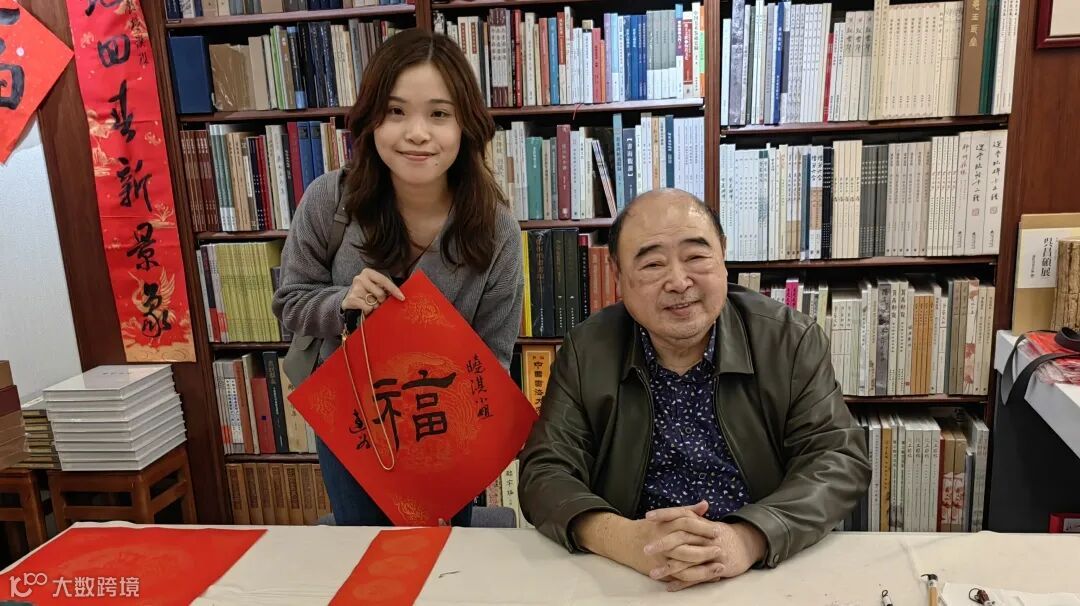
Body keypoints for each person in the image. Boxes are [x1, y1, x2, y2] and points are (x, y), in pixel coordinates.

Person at [518, 188, 870, 591]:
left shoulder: (789, 341)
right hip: (631, 575)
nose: (679, 281)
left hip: (761, 570)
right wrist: (623, 539)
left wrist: (750, 537)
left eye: (697, 256)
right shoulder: (587, 350)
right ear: (617, 276)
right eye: (652, 264)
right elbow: (544, 471)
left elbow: (837, 459)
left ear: (723, 255)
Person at [272, 29, 523, 527]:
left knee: (444, 558)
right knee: (365, 551)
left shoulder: (495, 230)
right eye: (396, 111)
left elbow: (494, 356)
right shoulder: (331, 200)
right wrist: (343, 301)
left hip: (443, 428)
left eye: (439, 114)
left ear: (466, 124)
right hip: (352, 422)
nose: (417, 133)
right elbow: (290, 304)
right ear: (372, 120)